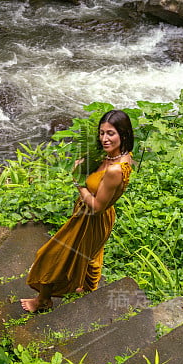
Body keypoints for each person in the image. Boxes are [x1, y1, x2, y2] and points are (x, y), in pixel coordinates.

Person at [20, 109, 134, 313]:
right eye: (102, 133)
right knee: (90, 256)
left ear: (123, 134)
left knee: (51, 255)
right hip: (90, 214)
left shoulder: (116, 170)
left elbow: (98, 207)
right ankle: (88, 292)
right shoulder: (117, 156)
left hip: (92, 218)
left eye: (111, 133)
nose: (104, 139)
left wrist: (79, 183)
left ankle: (43, 300)